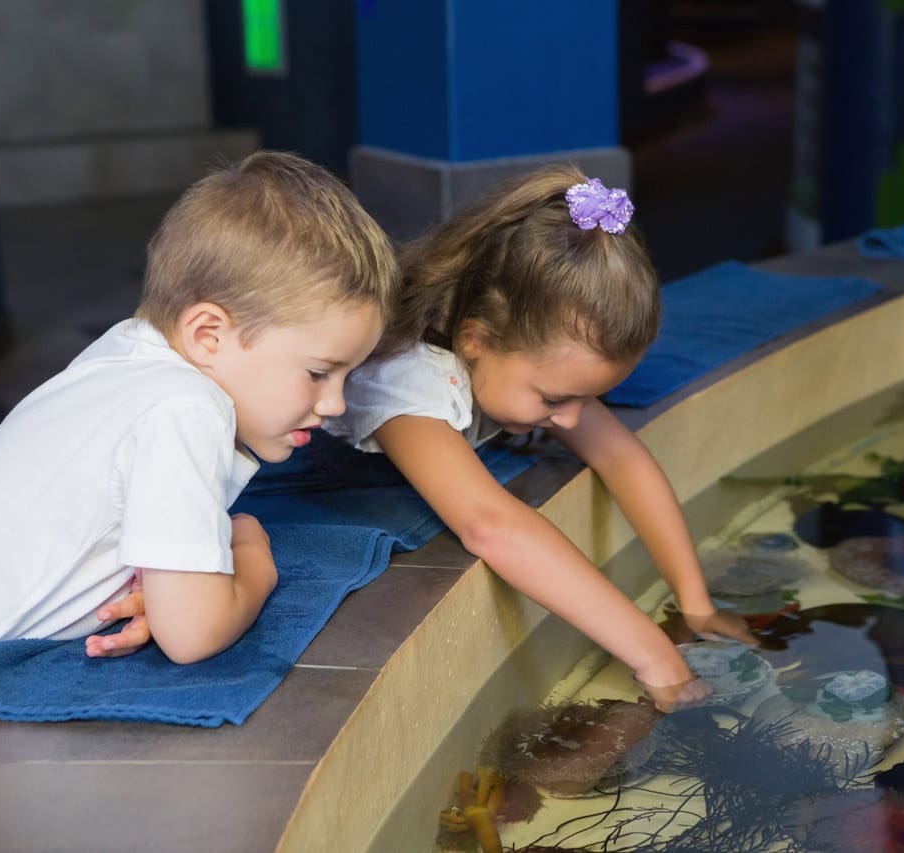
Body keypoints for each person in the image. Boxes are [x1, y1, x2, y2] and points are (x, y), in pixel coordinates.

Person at [0, 151, 398, 777]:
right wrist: (251, 555)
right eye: (319, 372)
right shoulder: (185, 408)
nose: (335, 404)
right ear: (208, 335)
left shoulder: (129, 354)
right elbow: (193, 634)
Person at [321, 166, 756, 712]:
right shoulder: (406, 384)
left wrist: (695, 602)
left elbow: (620, 455)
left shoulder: (527, 357)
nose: (572, 420)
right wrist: (654, 656)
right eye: (555, 399)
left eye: (588, 398)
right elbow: (490, 525)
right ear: (475, 341)